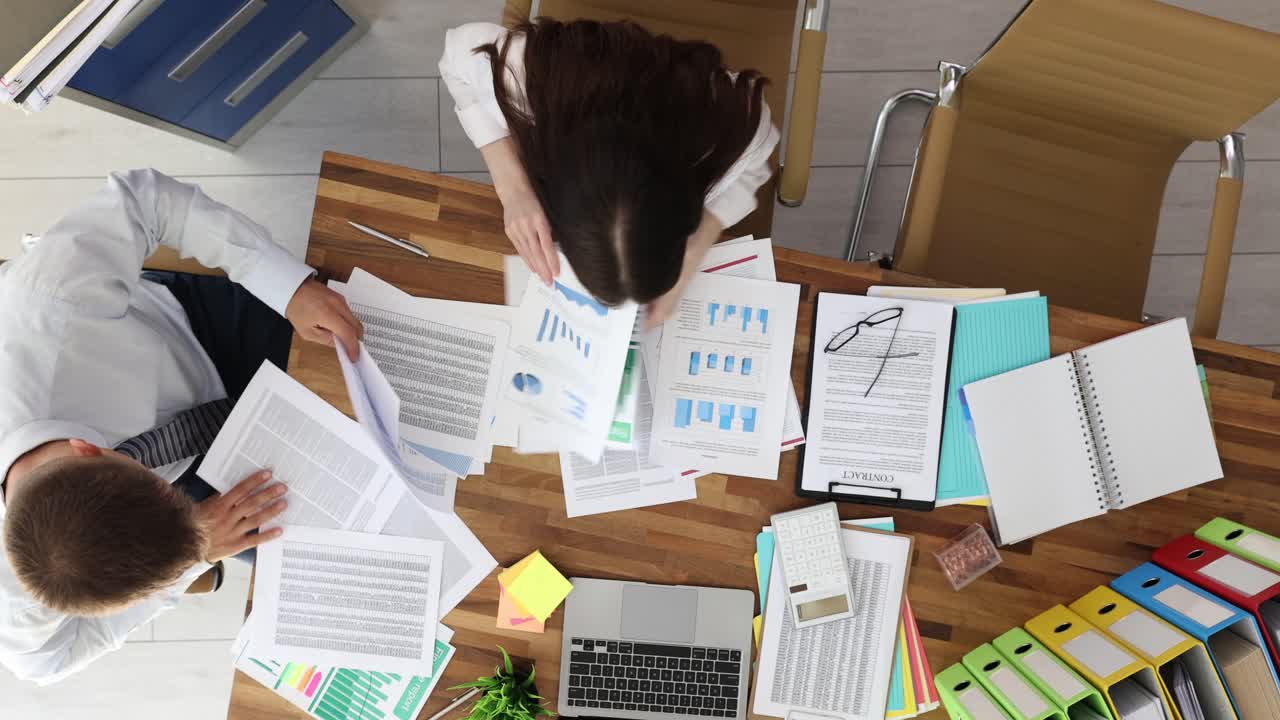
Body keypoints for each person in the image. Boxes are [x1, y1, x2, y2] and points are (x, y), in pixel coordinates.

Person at [0, 169, 364, 685]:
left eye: (162, 493)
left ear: (86, 449)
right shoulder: (20, 590)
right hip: (188, 482)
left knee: (366, 340)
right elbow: (44, 663)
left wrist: (286, 289)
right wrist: (196, 554)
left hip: (198, 337)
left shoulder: (47, 303)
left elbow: (142, 199)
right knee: (339, 558)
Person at [439, 18, 780, 323]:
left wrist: (700, 242)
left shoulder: (732, 127)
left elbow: (752, 170)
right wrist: (511, 186)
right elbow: (454, 56)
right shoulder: (523, 78)